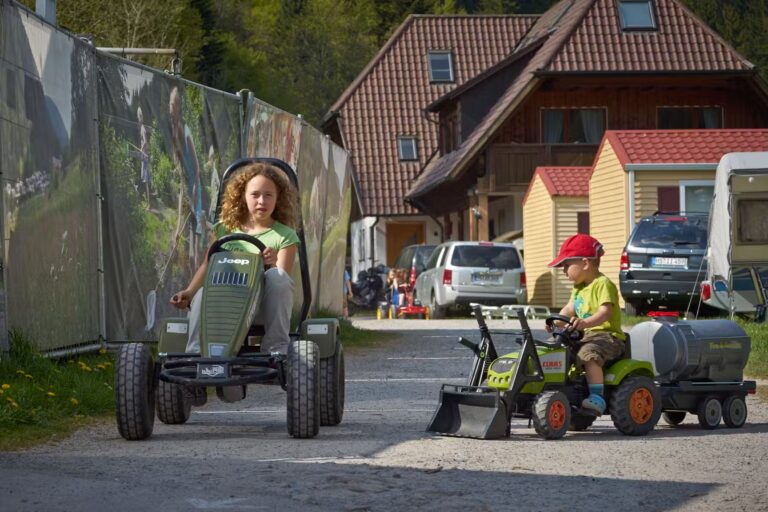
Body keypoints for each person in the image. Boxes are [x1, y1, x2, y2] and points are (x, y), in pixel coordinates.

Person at [170, 162, 299, 356]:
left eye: (268, 195)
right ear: (243, 197)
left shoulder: (284, 235)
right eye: (255, 195)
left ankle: (276, 348)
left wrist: (270, 264)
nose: (261, 201)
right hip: (224, 302)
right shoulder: (224, 230)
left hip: (259, 308)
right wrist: (188, 292)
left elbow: (282, 280)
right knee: (201, 294)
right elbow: (207, 265)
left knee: (278, 276)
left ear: (278, 198)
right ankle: (195, 355)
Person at [545, 234, 626, 415]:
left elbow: (606, 312)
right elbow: (569, 308)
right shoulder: (579, 287)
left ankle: (597, 397)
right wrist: (554, 321)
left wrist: (584, 323)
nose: (564, 271)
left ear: (585, 263)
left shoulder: (602, 284)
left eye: (566, 266)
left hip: (606, 336)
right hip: (584, 334)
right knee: (555, 349)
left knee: (587, 354)